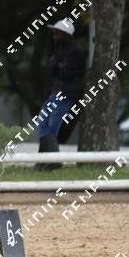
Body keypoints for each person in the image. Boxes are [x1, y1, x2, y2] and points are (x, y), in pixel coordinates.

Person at [35, 18, 85, 170]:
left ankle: (51, 161)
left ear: (66, 34)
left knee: (52, 126)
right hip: (55, 92)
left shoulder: (75, 51)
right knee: (42, 122)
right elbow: (50, 69)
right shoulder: (58, 48)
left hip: (66, 94)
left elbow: (65, 74)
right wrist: (57, 66)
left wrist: (56, 66)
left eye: (57, 32)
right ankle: (46, 160)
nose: (54, 35)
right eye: (54, 32)